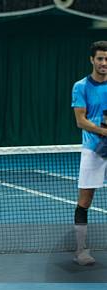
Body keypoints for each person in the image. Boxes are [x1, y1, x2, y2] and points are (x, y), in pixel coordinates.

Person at [72, 41, 107, 266]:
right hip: (93, 151)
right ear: (92, 60)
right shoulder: (81, 86)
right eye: (100, 59)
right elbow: (80, 120)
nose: (104, 63)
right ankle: (81, 250)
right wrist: (104, 131)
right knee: (85, 200)